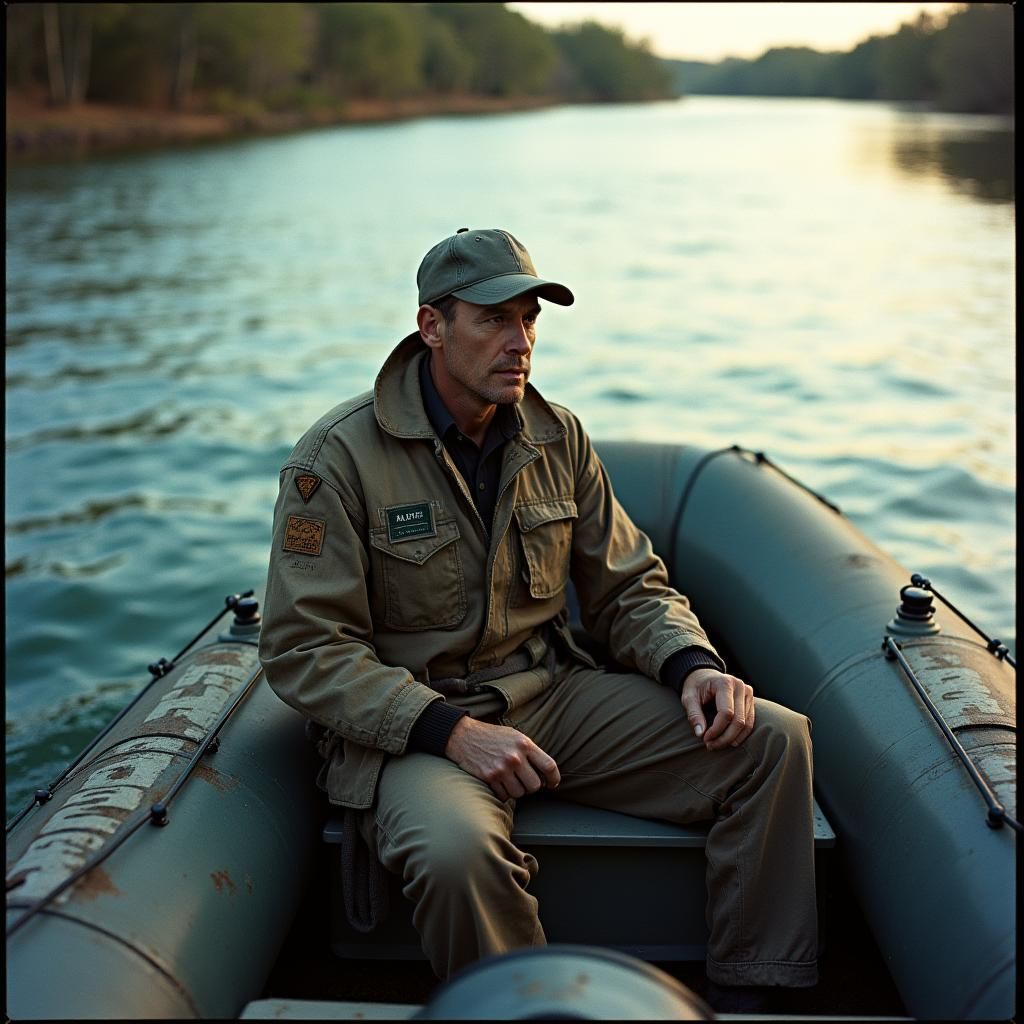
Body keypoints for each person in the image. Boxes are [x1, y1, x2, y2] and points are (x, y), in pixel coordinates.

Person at [258, 227, 818, 1003]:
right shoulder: (336, 460)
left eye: (528, 320)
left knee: (771, 742)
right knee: (456, 852)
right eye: (493, 319)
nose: (519, 342)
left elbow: (629, 586)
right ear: (432, 326)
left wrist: (693, 665)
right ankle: (530, 1012)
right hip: (416, 727)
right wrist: (449, 730)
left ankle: (754, 995)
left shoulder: (558, 438)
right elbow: (306, 649)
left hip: (548, 696)